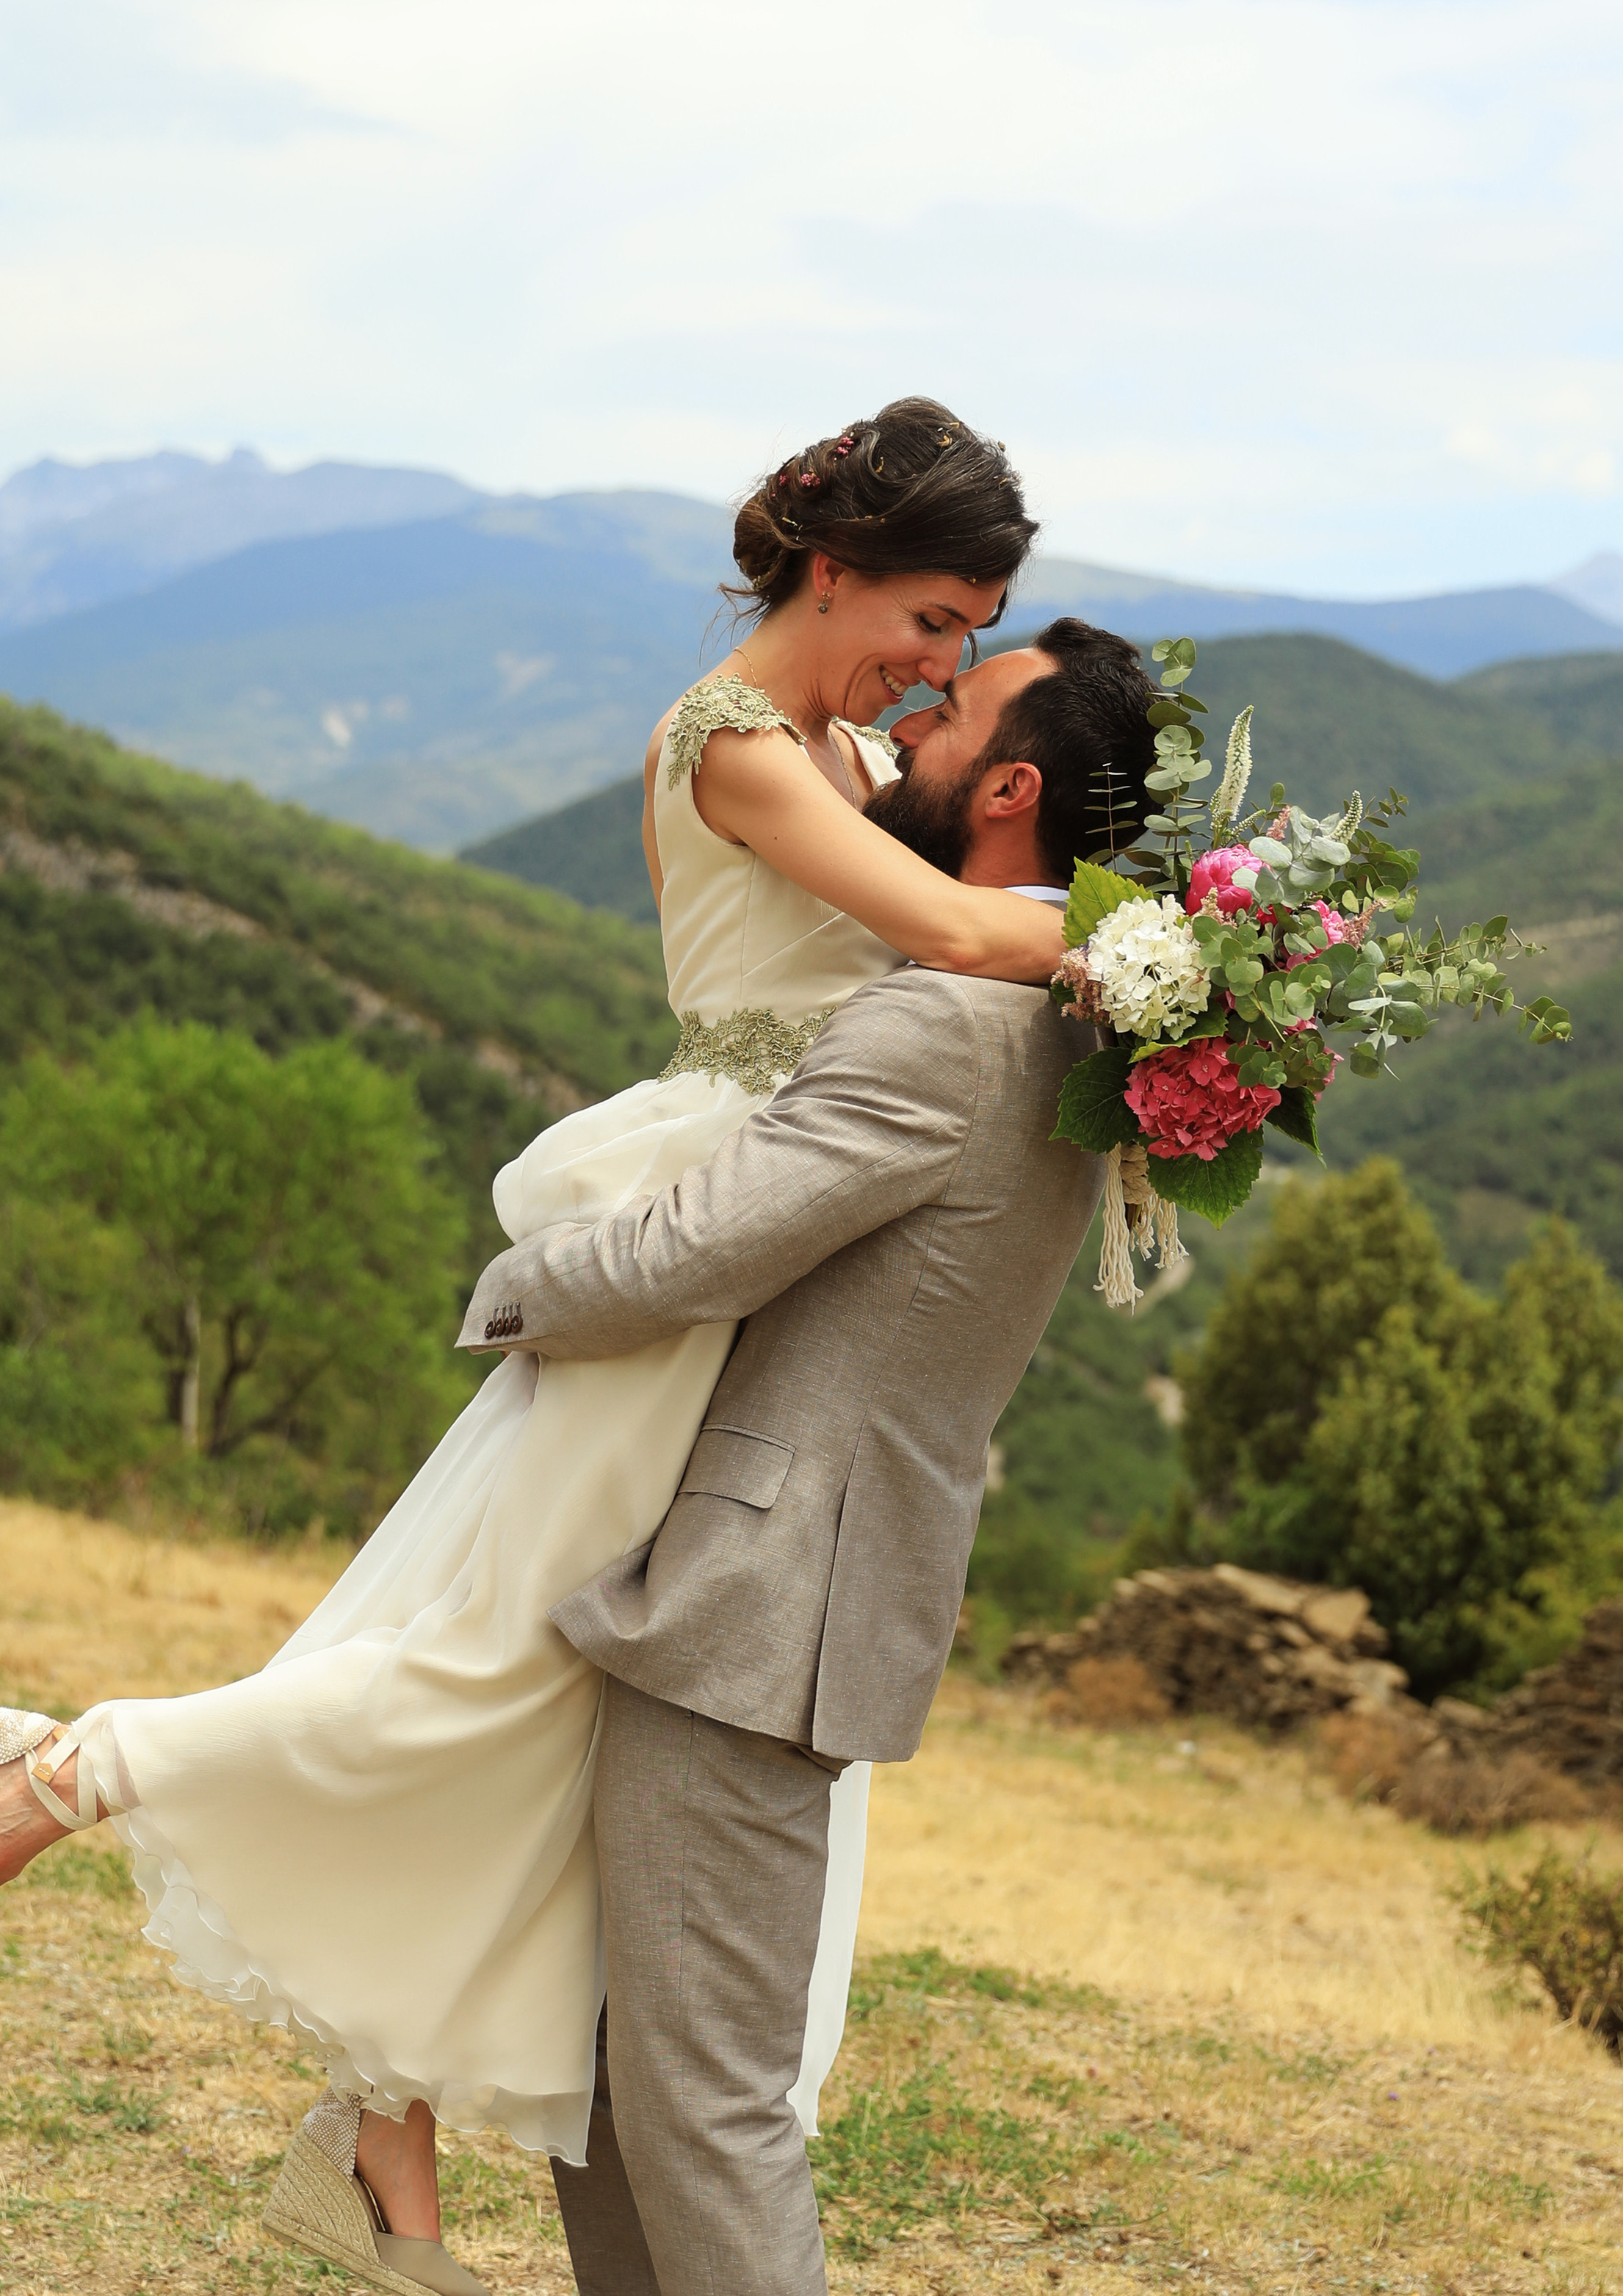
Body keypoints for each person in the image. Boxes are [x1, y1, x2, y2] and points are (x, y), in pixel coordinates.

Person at [0, 402, 1077, 2294]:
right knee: (488, 1673)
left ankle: (376, 2124)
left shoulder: (858, 745)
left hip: (769, 1249)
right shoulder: (743, 744)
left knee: (530, 1727)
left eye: (966, 638)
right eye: (931, 619)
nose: (934, 669)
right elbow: (947, 934)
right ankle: (35, 1783)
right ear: (833, 568)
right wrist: (1171, 947)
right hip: (697, 1222)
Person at [457, 617, 1161, 2296]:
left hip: (760, 1602)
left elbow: (689, 1254)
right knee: (629, 2077)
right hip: (794, 1592)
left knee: (702, 2101)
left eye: (955, 708)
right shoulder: (1066, 1031)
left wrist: (507, 1283)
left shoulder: (942, 1030)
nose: (913, 713)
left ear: (1004, 787)